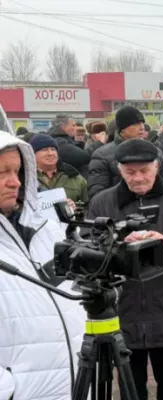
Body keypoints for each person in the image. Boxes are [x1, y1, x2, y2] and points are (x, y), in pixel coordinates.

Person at [88, 138, 163, 400]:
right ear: (119, 170)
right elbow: (90, 253)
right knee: (130, 389)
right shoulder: (102, 203)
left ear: (156, 167)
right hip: (123, 310)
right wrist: (119, 245)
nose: (138, 178)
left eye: (144, 170)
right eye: (130, 172)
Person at [0, 130, 86, 400]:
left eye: (17, 171)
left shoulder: (46, 227)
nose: (14, 182)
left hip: (75, 385)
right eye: (2, 173)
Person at [87, 106, 163, 199]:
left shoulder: (155, 151)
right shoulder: (102, 155)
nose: (142, 127)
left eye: (142, 123)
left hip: (156, 206)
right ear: (122, 129)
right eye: (136, 124)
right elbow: (97, 196)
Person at [30, 134, 88, 205]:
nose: (50, 153)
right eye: (44, 150)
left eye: (53, 149)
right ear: (33, 154)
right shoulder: (25, 178)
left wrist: (76, 207)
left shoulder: (74, 177)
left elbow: (89, 206)